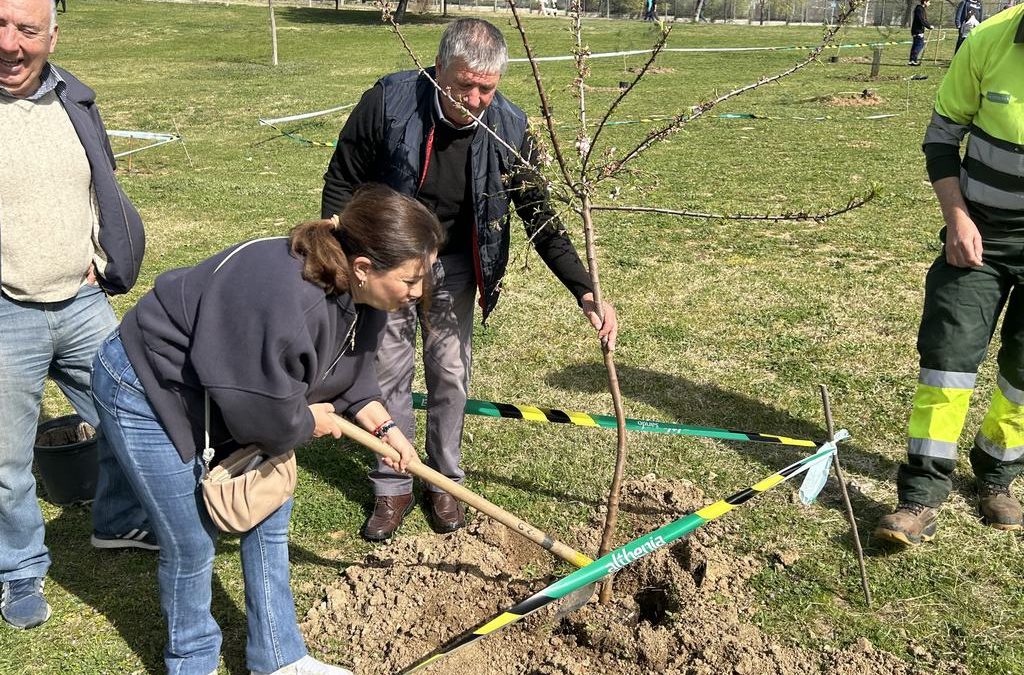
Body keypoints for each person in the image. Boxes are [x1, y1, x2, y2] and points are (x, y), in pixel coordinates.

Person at [92, 185, 441, 674]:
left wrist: (384, 429)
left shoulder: (365, 298)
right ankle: (190, 661)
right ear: (364, 267)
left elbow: (352, 372)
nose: (419, 292)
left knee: (269, 511)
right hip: (146, 386)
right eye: (411, 280)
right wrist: (308, 421)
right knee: (191, 541)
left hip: (234, 390)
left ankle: (278, 658)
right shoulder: (288, 301)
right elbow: (261, 415)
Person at [321, 18, 619, 542]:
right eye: (465, 86)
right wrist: (344, 247)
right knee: (387, 369)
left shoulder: (509, 126)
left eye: (488, 88)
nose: (476, 99)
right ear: (439, 70)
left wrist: (584, 287)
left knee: (450, 373)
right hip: (392, 260)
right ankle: (392, 486)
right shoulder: (389, 103)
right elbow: (343, 176)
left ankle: (445, 481)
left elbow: (538, 213)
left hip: (458, 264)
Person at [0, 0, 150, 630]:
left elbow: (101, 183)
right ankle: (19, 570)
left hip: (81, 299)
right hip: (8, 310)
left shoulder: (76, 100)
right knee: (5, 459)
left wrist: (103, 255)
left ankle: (117, 523)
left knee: (134, 416)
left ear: (52, 36)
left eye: (26, 30)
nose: (9, 43)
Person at [875, 4, 1024, 547]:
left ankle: (997, 477)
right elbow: (942, 137)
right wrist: (957, 219)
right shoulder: (988, 40)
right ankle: (920, 495)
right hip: (978, 234)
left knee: (1023, 376)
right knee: (948, 362)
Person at [908, 0, 933, 66]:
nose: (929, 4)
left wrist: (928, 25)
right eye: (929, 2)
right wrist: (929, 26)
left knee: (916, 45)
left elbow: (925, 20)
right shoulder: (919, 9)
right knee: (919, 45)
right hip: (917, 31)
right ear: (925, 2)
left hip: (918, 30)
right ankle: (913, 60)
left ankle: (912, 60)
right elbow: (922, 20)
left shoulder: (922, 9)